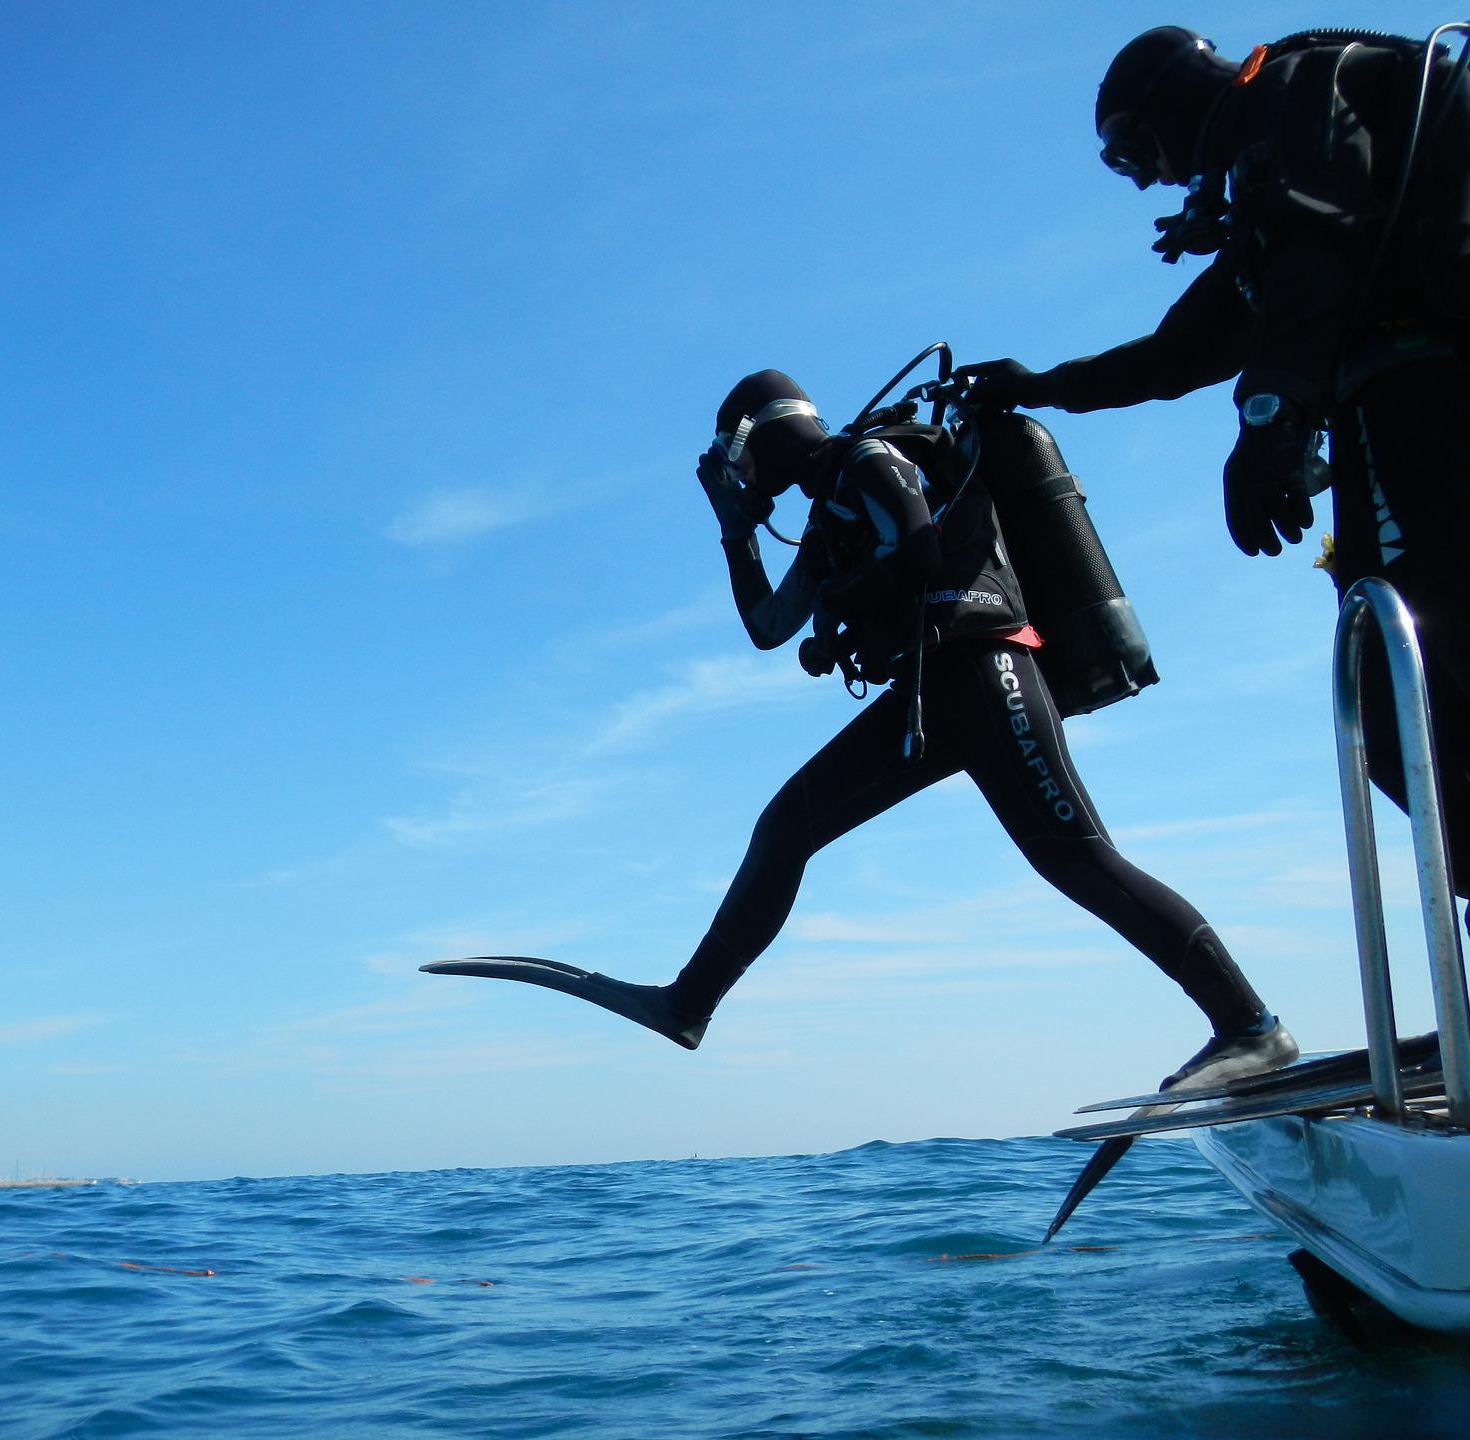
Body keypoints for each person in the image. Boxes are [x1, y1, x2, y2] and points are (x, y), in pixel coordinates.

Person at [425, 370, 1296, 1092]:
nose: (738, 480)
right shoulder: (827, 509)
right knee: (787, 827)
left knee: (1075, 855)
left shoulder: (870, 460)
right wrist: (735, 534)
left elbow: (917, 549)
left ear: (748, 441)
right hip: (933, 691)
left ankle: (1250, 1025)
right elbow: (770, 625)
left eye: (734, 466)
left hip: (985, 667)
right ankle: (687, 1005)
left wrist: (845, 607)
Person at [962, 24, 1470, 878]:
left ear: (1169, 105)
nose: (1151, 176)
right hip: (1395, 412)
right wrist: (1045, 384)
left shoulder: (1297, 98)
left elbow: (1316, 262)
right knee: (1393, 704)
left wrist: (1270, 423)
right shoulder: (1278, 179)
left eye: (1133, 151)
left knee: (1418, 666)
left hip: (1426, 399)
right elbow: (1184, 349)